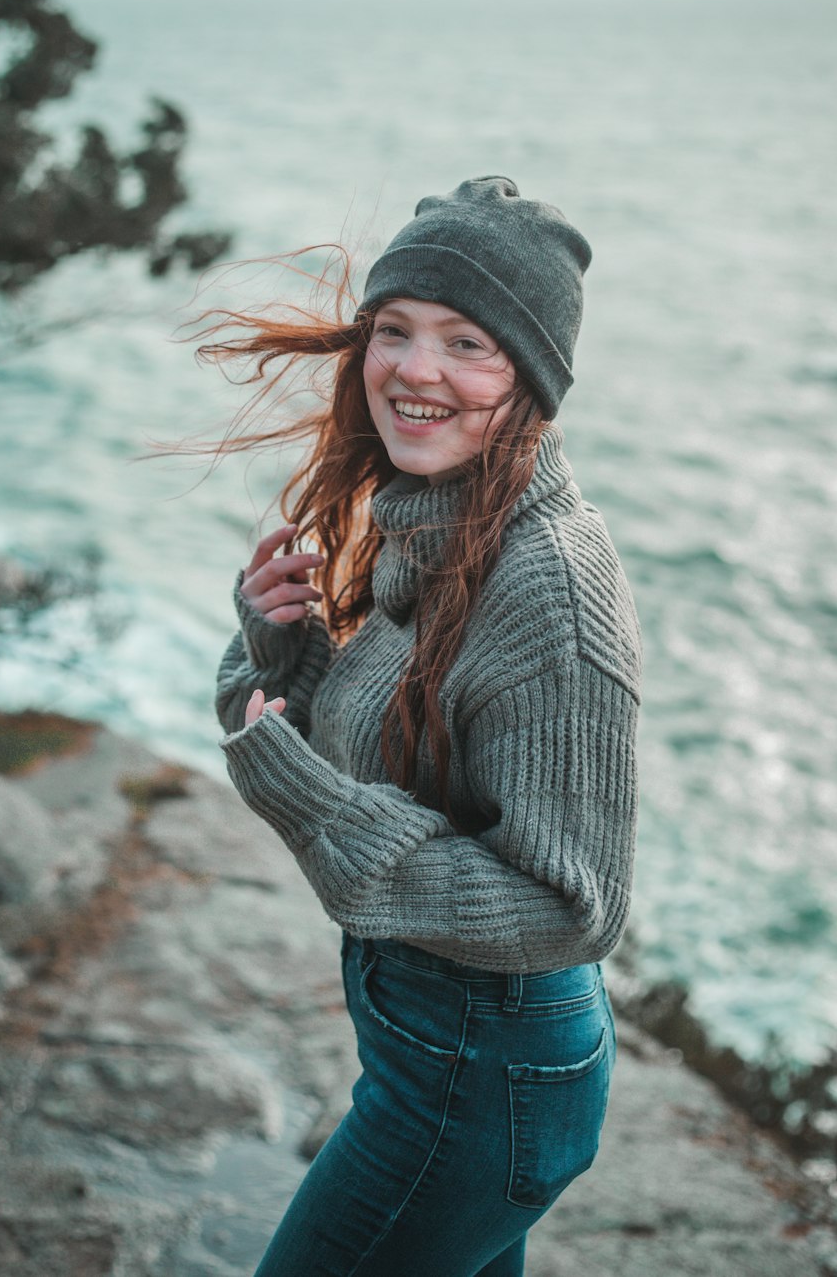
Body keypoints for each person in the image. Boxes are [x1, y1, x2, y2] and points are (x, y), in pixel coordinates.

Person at [211, 175, 644, 1276]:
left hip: (480, 1084)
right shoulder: (441, 524)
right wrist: (283, 651)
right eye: (394, 330)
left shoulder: (546, 591)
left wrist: (317, 811)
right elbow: (383, 746)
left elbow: (569, 907)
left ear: (534, 382)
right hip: (437, 1056)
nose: (413, 369)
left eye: (468, 343)